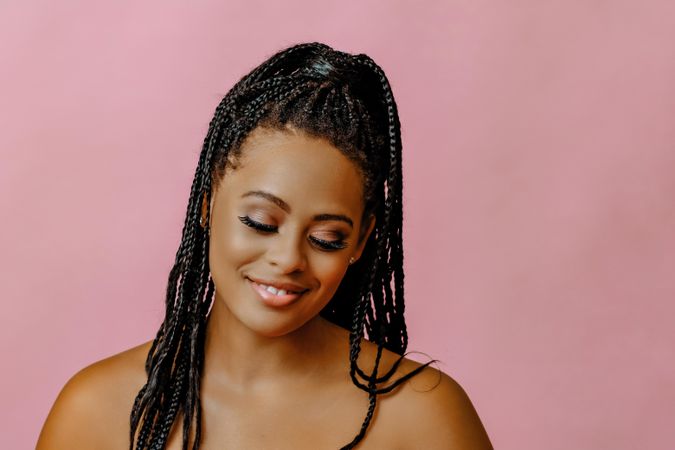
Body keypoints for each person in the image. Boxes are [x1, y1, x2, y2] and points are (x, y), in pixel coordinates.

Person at [36, 42, 493, 449]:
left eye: (326, 239)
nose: (288, 259)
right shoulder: (97, 411)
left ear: (361, 241)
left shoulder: (422, 418)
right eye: (260, 222)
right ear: (207, 203)